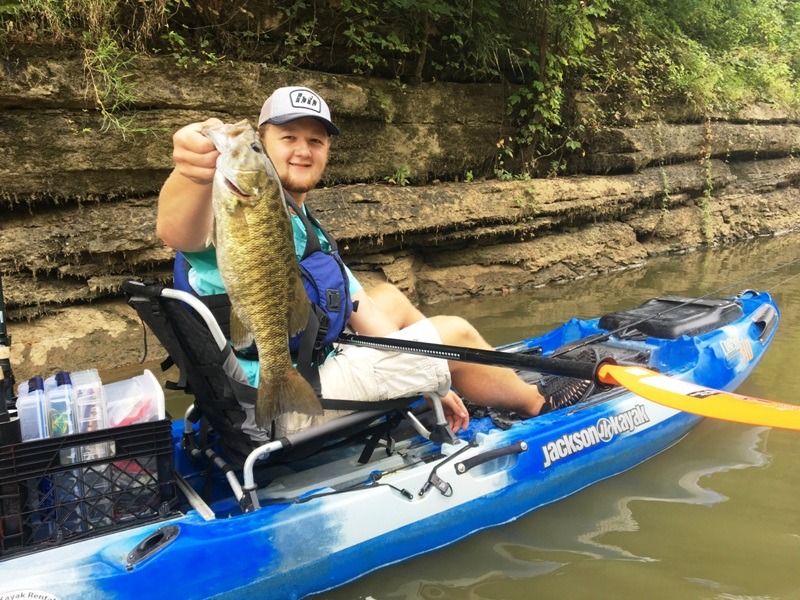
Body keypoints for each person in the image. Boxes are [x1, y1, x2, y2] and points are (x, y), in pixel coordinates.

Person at [157, 86, 591, 437]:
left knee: (386, 297)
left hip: (290, 366)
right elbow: (178, 233)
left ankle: (449, 379)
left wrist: (428, 379)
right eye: (287, 138)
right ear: (264, 142)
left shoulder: (300, 219)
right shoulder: (232, 206)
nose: (302, 150)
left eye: (315, 140)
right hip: (275, 397)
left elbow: (357, 300)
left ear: (327, 150)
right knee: (454, 333)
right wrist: (190, 173)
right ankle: (538, 404)